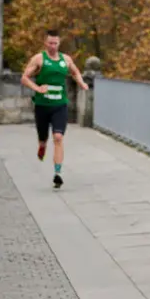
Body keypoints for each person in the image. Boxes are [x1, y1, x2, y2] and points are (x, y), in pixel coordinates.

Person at [21, 30, 89, 188]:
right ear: (45, 43)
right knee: (43, 138)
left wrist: (82, 83)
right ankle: (42, 145)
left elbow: (75, 71)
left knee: (58, 137)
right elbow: (24, 78)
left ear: (59, 43)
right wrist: (37, 88)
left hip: (60, 105)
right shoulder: (39, 59)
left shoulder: (65, 59)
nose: (53, 46)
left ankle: (57, 173)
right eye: (50, 43)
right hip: (42, 106)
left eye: (55, 43)